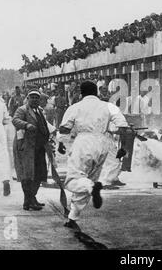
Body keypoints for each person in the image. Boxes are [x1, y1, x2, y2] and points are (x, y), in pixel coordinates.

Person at [59, 81, 128, 231]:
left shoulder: (75, 107)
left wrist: (65, 130)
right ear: (96, 92)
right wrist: (123, 148)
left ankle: (92, 188)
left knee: (74, 179)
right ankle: (73, 218)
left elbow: (64, 129)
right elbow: (124, 127)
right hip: (103, 144)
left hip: (83, 142)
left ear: (81, 93)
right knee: (87, 179)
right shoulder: (108, 106)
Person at [12, 89, 54, 210]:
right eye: (32, 97)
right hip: (27, 147)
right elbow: (15, 120)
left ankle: (32, 198)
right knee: (27, 175)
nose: (35, 99)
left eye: (37, 98)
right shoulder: (22, 110)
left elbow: (45, 125)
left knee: (39, 174)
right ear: (28, 98)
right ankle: (28, 201)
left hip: (39, 147)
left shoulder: (40, 111)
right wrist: (26, 125)